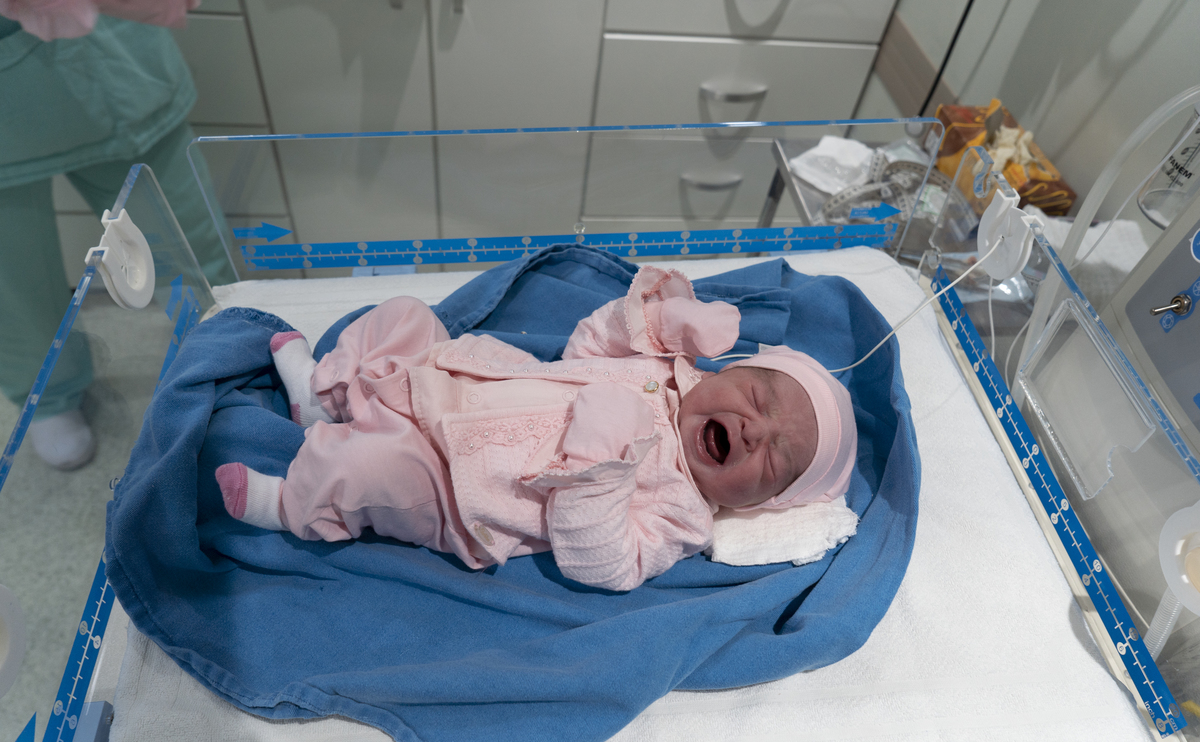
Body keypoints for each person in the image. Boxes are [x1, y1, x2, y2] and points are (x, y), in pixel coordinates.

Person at [216, 265, 857, 591]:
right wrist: (664, 324)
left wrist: (601, 466)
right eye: (757, 396)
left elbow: (601, 563)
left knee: (369, 470)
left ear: (763, 502)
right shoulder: (667, 372)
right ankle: (322, 400)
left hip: (459, 487)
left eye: (776, 461)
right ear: (724, 371)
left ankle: (293, 505)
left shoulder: (683, 514)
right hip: (463, 379)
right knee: (405, 315)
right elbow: (585, 348)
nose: (755, 432)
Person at [0, 0, 237, 469]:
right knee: (12, 268)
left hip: (108, 55)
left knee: (187, 238)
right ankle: (45, 392)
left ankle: (232, 347)